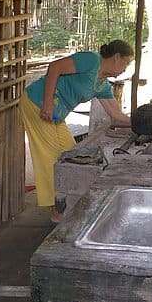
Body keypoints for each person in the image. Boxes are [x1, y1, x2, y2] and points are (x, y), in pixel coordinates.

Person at [20, 40, 134, 222]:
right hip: (37, 103)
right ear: (116, 57)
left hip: (56, 114)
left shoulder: (103, 85)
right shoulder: (91, 60)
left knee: (72, 155)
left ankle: (69, 201)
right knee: (50, 158)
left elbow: (116, 116)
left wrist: (138, 123)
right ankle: (57, 211)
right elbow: (55, 68)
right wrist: (48, 101)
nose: (125, 69)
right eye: (125, 63)